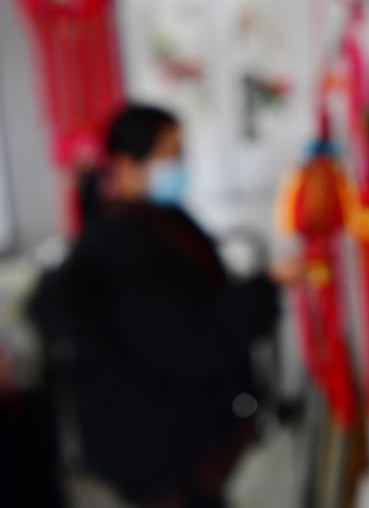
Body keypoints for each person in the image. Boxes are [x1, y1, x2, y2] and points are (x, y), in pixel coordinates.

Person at [30, 103, 302, 507]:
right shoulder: (123, 243)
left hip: (177, 436)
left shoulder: (155, 219)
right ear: (127, 163)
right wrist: (266, 285)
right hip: (159, 446)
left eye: (180, 153)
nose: (180, 165)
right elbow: (192, 338)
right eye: (169, 155)